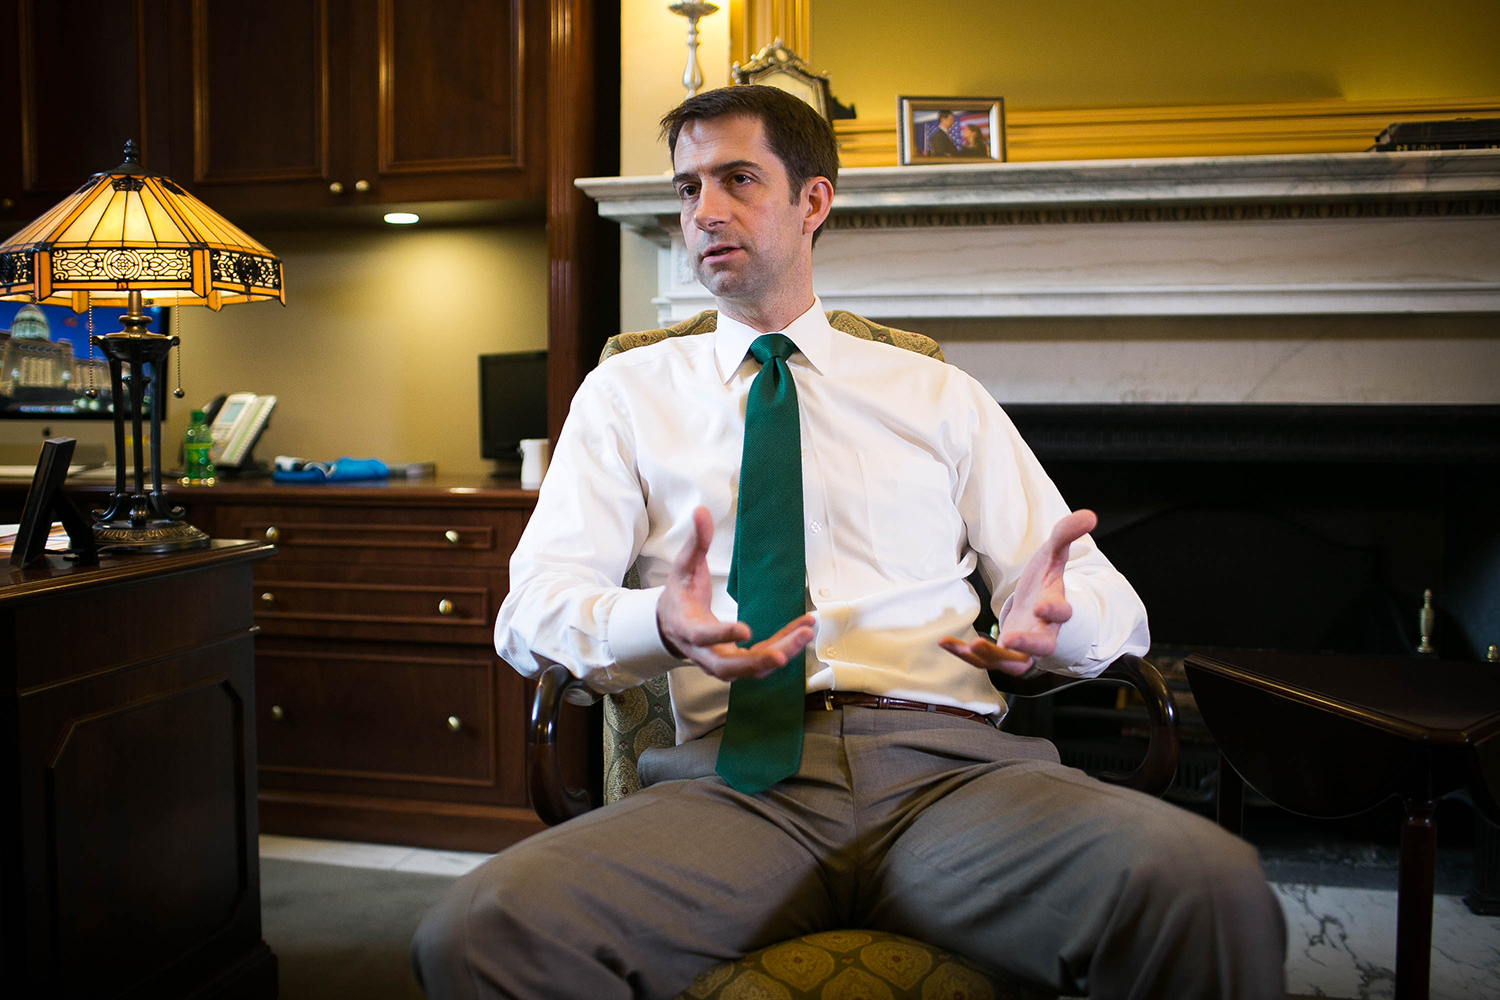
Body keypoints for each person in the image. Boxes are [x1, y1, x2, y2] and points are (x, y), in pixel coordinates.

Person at [412, 85, 1286, 1000]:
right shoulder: (625, 396)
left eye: (738, 179)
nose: (704, 211)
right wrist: (657, 622)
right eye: (687, 188)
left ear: (813, 201)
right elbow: (530, 614)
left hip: (954, 779)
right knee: (481, 932)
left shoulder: (938, 395)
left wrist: (1055, 627)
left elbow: (1113, 605)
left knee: (1207, 886)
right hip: (735, 789)